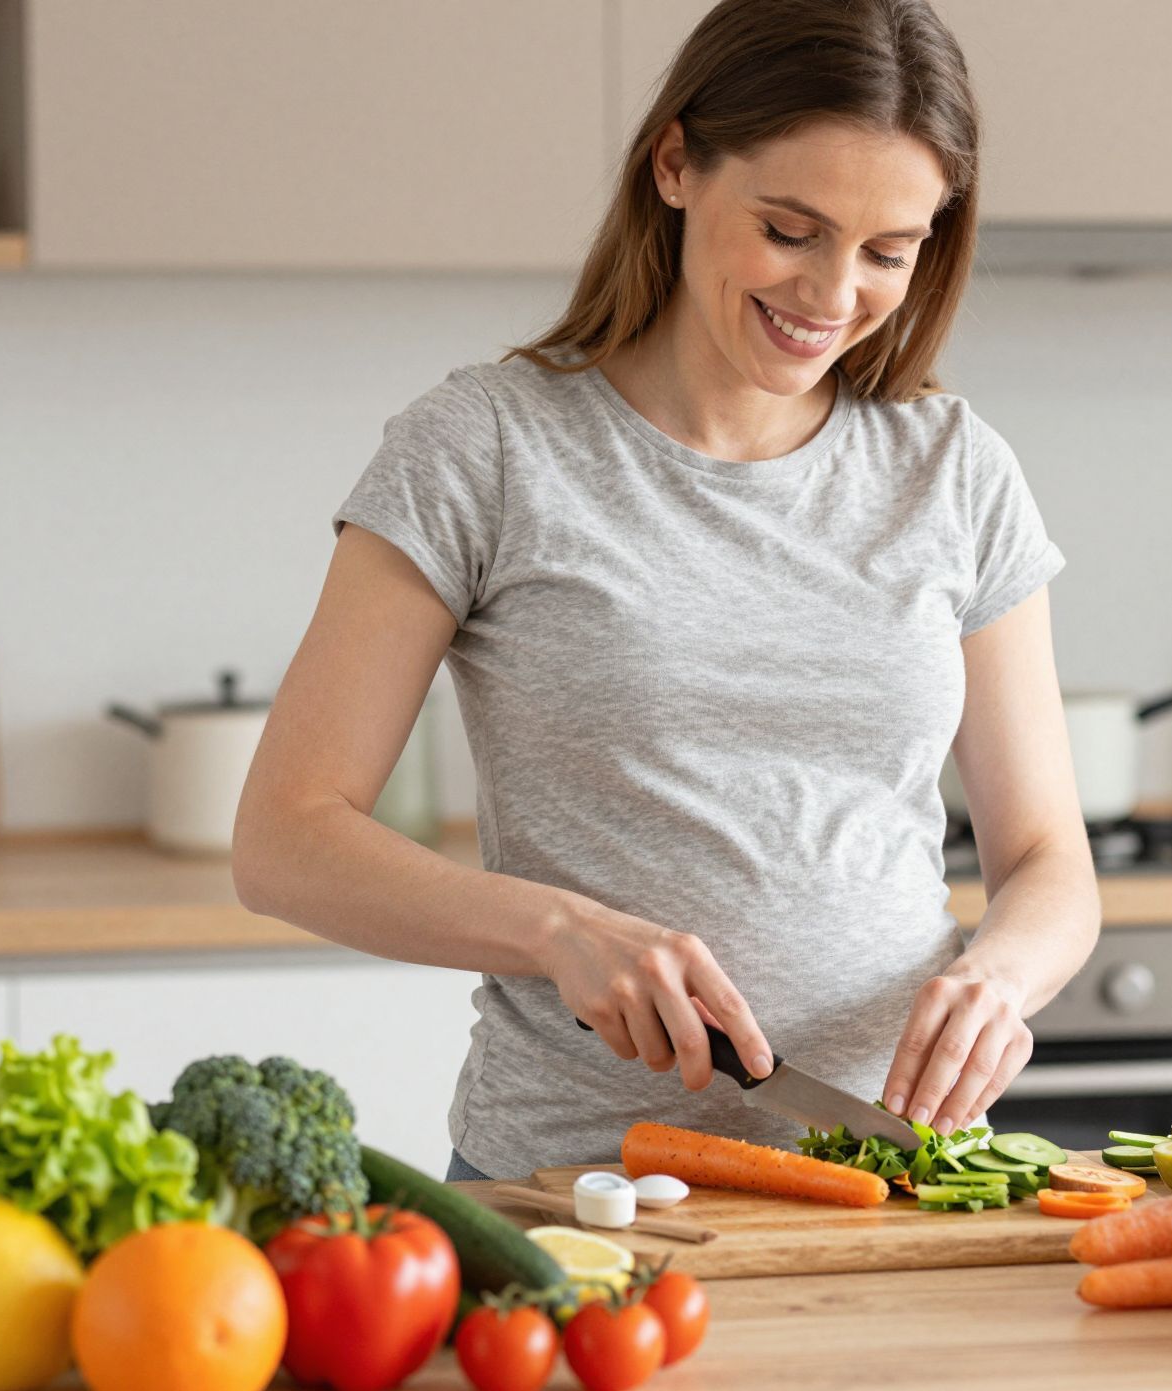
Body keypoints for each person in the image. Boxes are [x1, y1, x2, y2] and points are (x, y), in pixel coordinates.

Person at [232, 0, 1100, 1182]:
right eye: (791, 229)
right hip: (576, 1195)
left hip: (895, 1186)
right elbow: (285, 840)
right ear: (677, 163)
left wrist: (1001, 976)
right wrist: (557, 929)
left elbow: (1049, 857)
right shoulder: (486, 448)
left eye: (888, 252)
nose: (834, 295)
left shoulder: (950, 467)